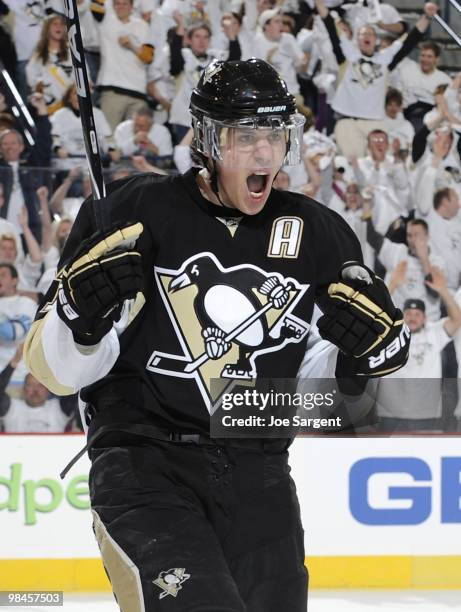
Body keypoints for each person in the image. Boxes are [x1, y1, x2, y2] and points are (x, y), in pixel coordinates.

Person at [24, 59, 409, 611]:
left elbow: (315, 398)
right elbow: (52, 372)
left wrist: (361, 364)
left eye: (275, 134)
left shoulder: (320, 233)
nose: (264, 153)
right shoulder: (132, 211)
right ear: (206, 139)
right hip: (144, 467)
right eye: (246, 135)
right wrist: (79, 315)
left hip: (261, 478)